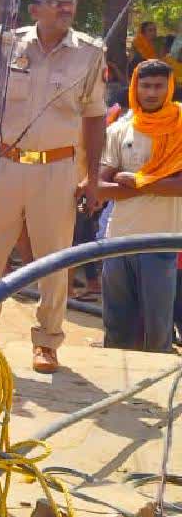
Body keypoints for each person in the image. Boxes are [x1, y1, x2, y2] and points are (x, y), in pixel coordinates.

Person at [0, 0, 107, 374]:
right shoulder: (5, 46)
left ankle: (47, 341)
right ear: (35, 9)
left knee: (55, 260)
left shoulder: (90, 52)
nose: (66, 8)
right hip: (5, 166)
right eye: (56, 2)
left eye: (71, 2)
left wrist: (93, 174)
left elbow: (95, 117)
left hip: (57, 168)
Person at [96, 60, 182, 352]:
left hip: (161, 243)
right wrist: (157, 184)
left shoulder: (180, 127)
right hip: (118, 239)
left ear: (169, 87)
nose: (151, 92)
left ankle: (154, 395)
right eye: (145, 86)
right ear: (135, 87)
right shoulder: (120, 129)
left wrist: (137, 181)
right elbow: (101, 188)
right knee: (116, 323)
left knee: (157, 330)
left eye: (158, 86)